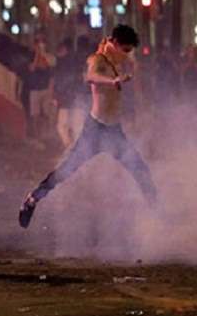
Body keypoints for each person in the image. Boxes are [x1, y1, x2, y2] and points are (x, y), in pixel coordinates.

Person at [19, 25, 158, 228]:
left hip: (114, 132)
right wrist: (113, 81)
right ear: (116, 44)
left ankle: (158, 214)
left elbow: (130, 68)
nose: (127, 55)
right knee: (66, 170)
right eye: (126, 50)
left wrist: (131, 67)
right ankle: (32, 200)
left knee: (140, 169)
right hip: (95, 131)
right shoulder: (97, 60)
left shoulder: (115, 59)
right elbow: (91, 77)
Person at [51, 39, 87, 149]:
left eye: (59, 51)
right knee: (76, 126)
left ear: (64, 50)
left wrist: (56, 97)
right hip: (76, 99)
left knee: (63, 126)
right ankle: (75, 148)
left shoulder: (62, 65)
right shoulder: (78, 62)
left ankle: (71, 147)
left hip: (67, 100)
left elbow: (60, 82)